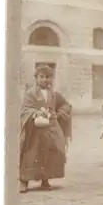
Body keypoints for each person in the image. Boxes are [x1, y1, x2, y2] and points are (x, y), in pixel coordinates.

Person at [19, 65, 72, 193]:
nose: (44, 80)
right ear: (36, 78)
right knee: (31, 153)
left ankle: (45, 179)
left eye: (48, 77)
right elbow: (25, 109)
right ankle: (24, 181)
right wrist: (36, 113)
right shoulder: (30, 93)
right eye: (41, 77)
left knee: (51, 152)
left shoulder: (54, 94)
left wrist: (59, 113)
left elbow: (65, 105)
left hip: (50, 127)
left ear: (52, 79)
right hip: (34, 129)